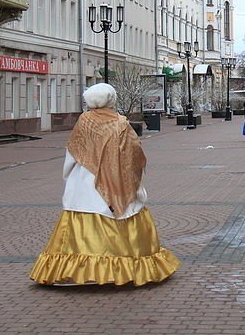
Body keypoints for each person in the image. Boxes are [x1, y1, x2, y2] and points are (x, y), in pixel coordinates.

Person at [30, 83, 180, 286]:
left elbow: (73, 151)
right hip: (117, 179)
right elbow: (133, 153)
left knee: (84, 213)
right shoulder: (121, 123)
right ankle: (125, 267)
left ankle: (80, 271)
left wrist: (72, 175)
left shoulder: (84, 121)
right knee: (123, 212)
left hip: (85, 181)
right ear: (111, 100)